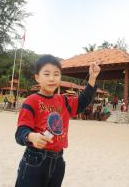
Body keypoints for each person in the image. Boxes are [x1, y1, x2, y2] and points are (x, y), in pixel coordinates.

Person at [15, 54, 100, 187]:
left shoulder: (64, 100)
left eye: (56, 74)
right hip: (34, 160)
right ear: (37, 77)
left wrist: (92, 78)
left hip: (58, 160)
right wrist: (31, 136)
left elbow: (83, 101)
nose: (52, 78)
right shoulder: (31, 101)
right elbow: (20, 132)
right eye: (47, 74)